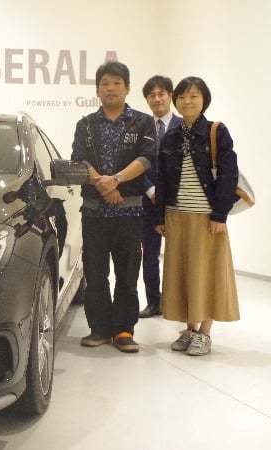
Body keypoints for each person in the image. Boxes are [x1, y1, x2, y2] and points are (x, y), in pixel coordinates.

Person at [71, 61, 156, 353]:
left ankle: (123, 330)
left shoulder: (142, 122)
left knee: (127, 274)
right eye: (105, 83)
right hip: (94, 212)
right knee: (95, 274)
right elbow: (79, 159)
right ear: (97, 90)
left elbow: (147, 158)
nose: (110, 88)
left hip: (129, 212)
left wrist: (116, 180)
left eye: (117, 83)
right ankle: (99, 329)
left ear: (127, 88)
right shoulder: (85, 125)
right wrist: (104, 186)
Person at [154, 76, 240, 356]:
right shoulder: (171, 137)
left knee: (207, 273)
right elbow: (162, 179)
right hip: (176, 214)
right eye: (181, 96)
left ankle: (205, 332)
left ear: (204, 100)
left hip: (206, 217)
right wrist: (160, 217)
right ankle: (190, 329)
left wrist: (220, 215)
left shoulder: (217, 131)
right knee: (181, 273)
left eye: (193, 96)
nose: (186, 101)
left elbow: (228, 175)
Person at [138, 76, 182, 318]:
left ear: (170, 96)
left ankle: (179, 303)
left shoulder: (183, 125)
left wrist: (168, 192)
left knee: (180, 255)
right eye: (152, 95)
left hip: (178, 202)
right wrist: (150, 189)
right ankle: (154, 301)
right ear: (147, 99)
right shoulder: (141, 127)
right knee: (150, 255)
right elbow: (135, 163)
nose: (157, 98)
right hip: (149, 202)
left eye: (161, 93)